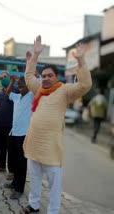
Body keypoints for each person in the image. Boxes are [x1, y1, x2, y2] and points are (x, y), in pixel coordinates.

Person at [21, 36, 92, 214]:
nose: (45, 78)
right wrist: (35, 55)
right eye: (44, 76)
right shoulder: (39, 89)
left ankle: (53, 211)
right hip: (34, 144)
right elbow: (29, 76)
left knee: (54, 184)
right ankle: (34, 205)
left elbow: (85, 85)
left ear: (56, 77)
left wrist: (81, 59)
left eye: (49, 75)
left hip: (51, 148)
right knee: (35, 178)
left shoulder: (64, 90)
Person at [3, 76, 33, 200]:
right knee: (14, 162)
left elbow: (38, 83)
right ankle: (14, 183)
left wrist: (32, 75)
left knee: (21, 164)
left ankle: (19, 189)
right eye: (19, 85)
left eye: (22, 85)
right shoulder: (16, 97)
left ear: (28, 86)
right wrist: (12, 81)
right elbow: (7, 92)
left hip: (23, 135)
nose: (20, 87)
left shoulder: (31, 95)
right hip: (13, 133)